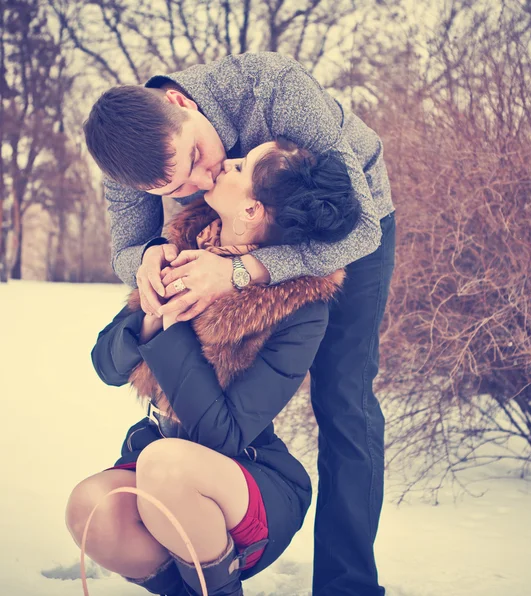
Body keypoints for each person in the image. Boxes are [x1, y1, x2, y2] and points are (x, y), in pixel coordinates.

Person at [84, 51, 396, 596]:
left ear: (180, 102)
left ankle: (348, 587)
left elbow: (361, 230)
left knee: (343, 397)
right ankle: (204, 517)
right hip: (237, 225)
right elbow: (129, 249)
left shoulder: (273, 86)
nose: (202, 178)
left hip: (348, 219)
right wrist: (148, 260)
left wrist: (243, 273)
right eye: (178, 187)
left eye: (200, 157)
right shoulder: (134, 169)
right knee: (221, 369)